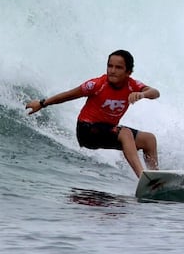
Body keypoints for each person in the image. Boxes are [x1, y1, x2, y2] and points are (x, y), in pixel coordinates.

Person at [25, 49, 160, 177]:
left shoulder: (132, 85)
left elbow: (155, 92)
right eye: (110, 66)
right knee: (125, 133)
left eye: (118, 68)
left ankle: (156, 178)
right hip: (87, 130)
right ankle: (144, 178)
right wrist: (42, 103)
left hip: (107, 130)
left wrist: (142, 94)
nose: (112, 71)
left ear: (128, 72)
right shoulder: (97, 84)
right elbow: (69, 95)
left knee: (149, 140)